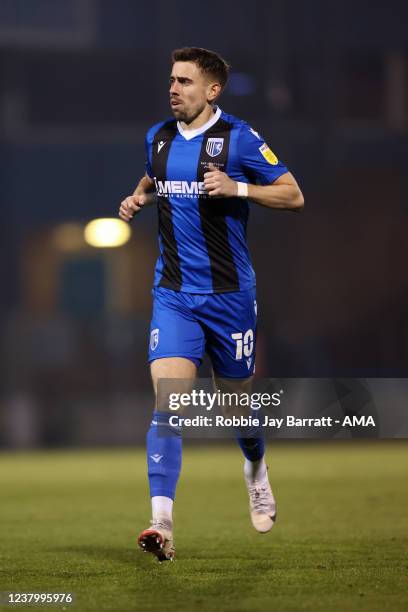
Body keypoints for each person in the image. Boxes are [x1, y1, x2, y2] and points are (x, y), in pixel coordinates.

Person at [119, 47, 304, 561]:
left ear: (212, 91)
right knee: (168, 405)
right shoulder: (157, 136)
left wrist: (239, 186)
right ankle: (161, 524)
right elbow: (154, 178)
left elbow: (293, 195)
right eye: (172, 80)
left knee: (237, 408)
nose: (173, 88)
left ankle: (256, 469)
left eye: (185, 82)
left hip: (229, 299)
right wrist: (138, 198)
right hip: (174, 296)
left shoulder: (239, 139)